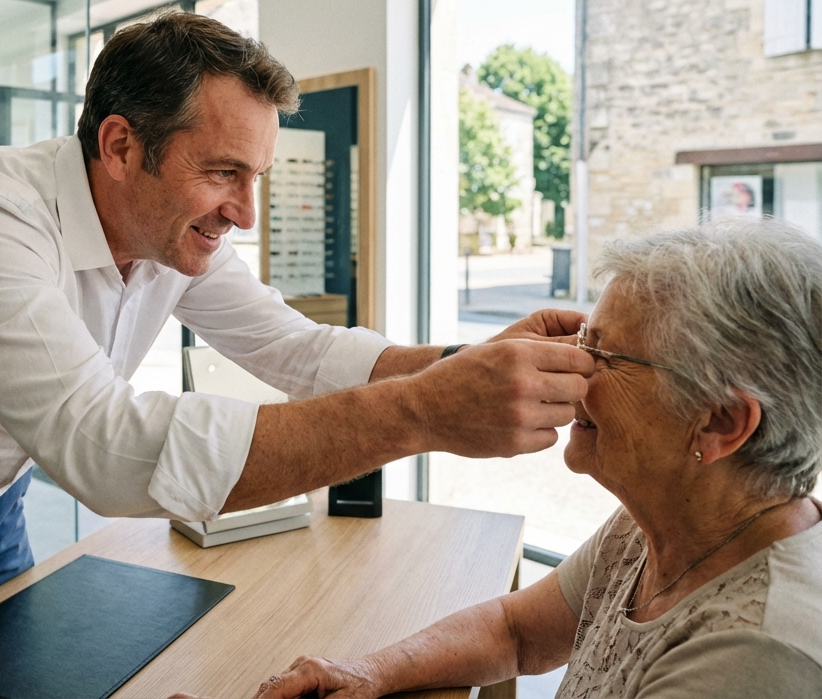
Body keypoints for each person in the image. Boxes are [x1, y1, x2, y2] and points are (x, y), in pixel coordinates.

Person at [0, 11, 593, 698]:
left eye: (255, 176)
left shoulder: (169, 235)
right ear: (120, 146)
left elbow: (298, 350)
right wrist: (428, 410)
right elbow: (103, 450)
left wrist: (468, 360)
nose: (247, 214)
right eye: (225, 172)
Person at [253, 218, 822, 699]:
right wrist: (367, 672)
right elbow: (515, 632)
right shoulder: (661, 525)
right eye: (581, 344)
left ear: (722, 421)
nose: (567, 370)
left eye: (603, 355)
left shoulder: (755, 652)